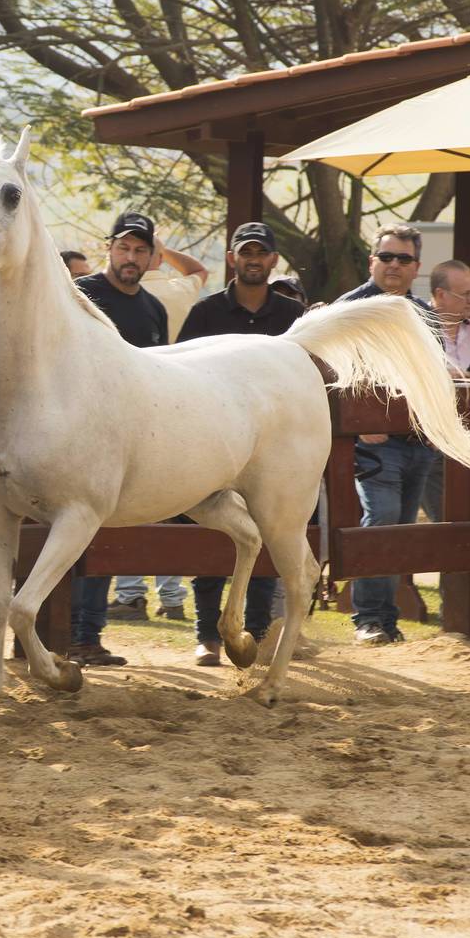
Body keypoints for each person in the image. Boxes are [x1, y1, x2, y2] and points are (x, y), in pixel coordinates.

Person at [176, 222, 304, 666]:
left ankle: (260, 630)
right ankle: (206, 635)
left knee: (270, 531)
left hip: (272, 446)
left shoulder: (292, 316)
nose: (253, 259)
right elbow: (179, 376)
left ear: (272, 260)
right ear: (233, 258)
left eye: (261, 253)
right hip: (213, 443)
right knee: (210, 534)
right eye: (245, 252)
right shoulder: (206, 312)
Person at [76, 211, 208, 636]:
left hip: (135, 439)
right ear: (108, 248)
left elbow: (158, 370)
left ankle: (90, 635)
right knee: (78, 531)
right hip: (79, 435)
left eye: (140, 250)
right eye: (123, 248)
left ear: (153, 257)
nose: (130, 257)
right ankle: (74, 633)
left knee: (112, 534)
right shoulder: (79, 294)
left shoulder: (153, 307)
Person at [335, 224, 436, 645]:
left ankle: (387, 619)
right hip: (372, 443)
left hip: (416, 440)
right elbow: (325, 371)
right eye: (387, 256)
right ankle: (368, 619)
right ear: (372, 260)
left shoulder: (422, 313)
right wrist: (360, 421)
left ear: (417, 267)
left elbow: (432, 370)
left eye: (403, 259)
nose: (394, 265)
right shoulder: (346, 310)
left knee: (401, 529)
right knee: (381, 521)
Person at [420, 260, 470, 523]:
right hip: (430, 441)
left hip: (469, 440)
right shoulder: (420, 331)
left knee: (469, 516)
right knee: (445, 519)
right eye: (465, 294)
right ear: (440, 295)